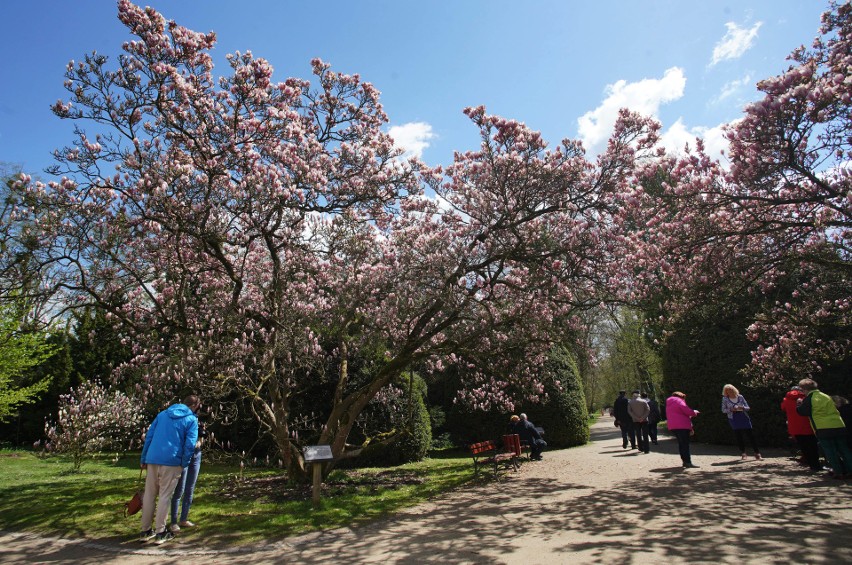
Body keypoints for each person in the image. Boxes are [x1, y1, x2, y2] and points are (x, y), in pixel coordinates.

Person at [139, 395, 201, 544]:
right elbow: (190, 444)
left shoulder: (162, 414)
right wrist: (184, 463)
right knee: (165, 495)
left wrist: (144, 458)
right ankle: (161, 531)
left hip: (153, 458)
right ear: (195, 406)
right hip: (172, 461)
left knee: (149, 495)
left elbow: (150, 436)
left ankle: (145, 530)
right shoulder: (191, 420)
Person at [796, 379, 852, 480]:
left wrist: (799, 405)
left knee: (830, 451)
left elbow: (803, 412)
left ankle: (838, 472)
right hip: (838, 424)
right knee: (844, 449)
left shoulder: (809, 398)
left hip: (823, 427)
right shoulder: (825, 396)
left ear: (804, 389)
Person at [170, 418, 205, 533]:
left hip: (196, 454)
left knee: (190, 488)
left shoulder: (197, 420)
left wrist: (199, 442)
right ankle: (173, 522)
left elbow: (202, 436)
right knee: (179, 489)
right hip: (184, 454)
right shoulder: (180, 421)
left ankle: (183, 519)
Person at [781, 385, 821, 471]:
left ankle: (810, 464)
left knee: (804, 447)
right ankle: (816, 465)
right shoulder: (805, 398)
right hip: (807, 425)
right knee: (813, 446)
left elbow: (783, 408)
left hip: (794, 427)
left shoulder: (786, 399)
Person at [721, 384, 762, 461]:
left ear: (734, 389)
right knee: (739, 436)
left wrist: (742, 407)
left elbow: (748, 407)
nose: (729, 391)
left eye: (730, 390)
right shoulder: (725, 399)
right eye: (727, 390)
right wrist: (731, 410)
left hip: (744, 417)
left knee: (751, 436)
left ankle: (757, 453)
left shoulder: (740, 397)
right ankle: (743, 453)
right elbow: (723, 410)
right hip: (734, 419)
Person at [666, 391, 700, 468]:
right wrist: (694, 412)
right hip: (682, 425)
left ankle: (684, 461)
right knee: (685, 444)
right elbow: (687, 410)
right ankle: (687, 462)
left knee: (681, 444)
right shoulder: (679, 401)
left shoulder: (669, 403)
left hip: (673, 426)